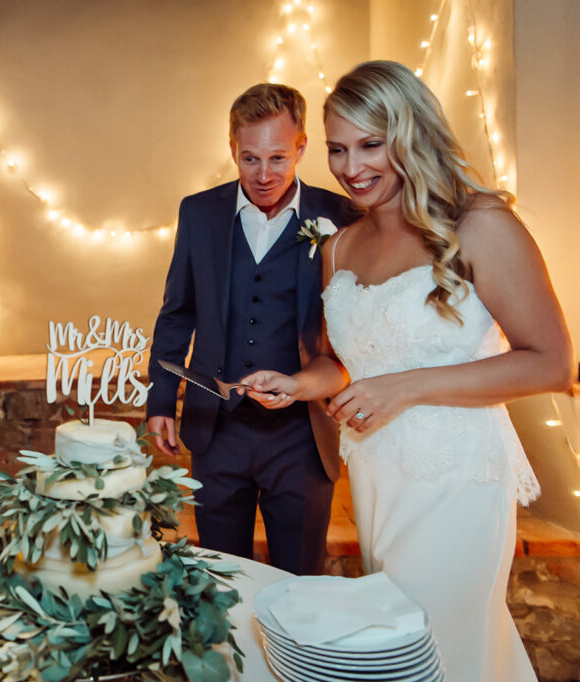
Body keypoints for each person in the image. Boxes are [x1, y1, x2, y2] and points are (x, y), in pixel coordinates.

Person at [242, 61, 573, 681]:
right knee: (393, 643)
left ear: (412, 132)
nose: (351, 167)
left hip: (456, 475)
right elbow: (345, 363)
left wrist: (407, 388)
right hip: (376, 475)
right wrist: (298, 384)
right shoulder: (339, 244)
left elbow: (553, 362)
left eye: (372, 144)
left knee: (440, 640)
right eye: (338, 149)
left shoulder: (480, 224)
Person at [145, 84, 360, 575]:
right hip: (218, 431)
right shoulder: (198, 213)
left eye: (279, 158)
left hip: (302, 436)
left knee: (300, 579)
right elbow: (178, 312)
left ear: (302, 147)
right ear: (232, 149)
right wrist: (162, 400)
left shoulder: (343, 217)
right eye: (250, 158)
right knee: (222, 580)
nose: (264, 175)